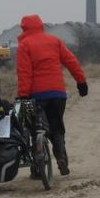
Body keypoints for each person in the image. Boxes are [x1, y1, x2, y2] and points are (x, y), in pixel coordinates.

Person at [15, 14, 88, 176]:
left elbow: (24, 73)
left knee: (37, 129)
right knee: (57, 126)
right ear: (41, 26)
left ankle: (37, 169)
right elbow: (71, 61)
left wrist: (23, 95)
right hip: (58, 94)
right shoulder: (54, 41)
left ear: (24, 28)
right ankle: (61, 156)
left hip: (37, 96)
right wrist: (81, 82)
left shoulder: (25, 45)